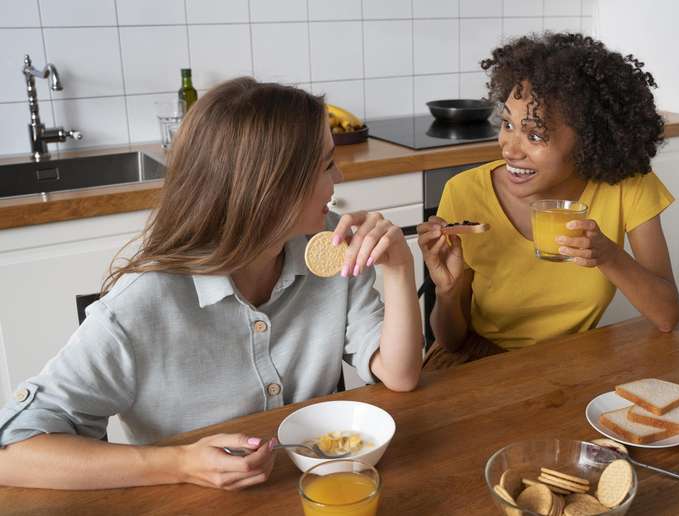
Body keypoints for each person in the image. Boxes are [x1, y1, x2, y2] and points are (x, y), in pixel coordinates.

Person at [0, 78, 423, 490]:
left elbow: (400, 375)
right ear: (270, 187)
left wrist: (400, 268)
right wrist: (179, 463)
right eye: (327, 165)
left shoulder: (329, 245)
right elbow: (12, 453)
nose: (339, 181)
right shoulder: (141, 305)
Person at [419, 33, 679, 369]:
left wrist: (609, 255)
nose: (510, 149)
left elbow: (667, 316)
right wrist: (448, 290)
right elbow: (452, 341)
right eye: (507, 124)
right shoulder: (464, 191)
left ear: (588, 139)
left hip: (567, 365)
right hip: (477, 361)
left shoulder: (627, 186)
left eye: (534, 134)